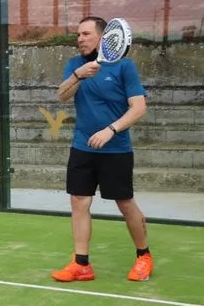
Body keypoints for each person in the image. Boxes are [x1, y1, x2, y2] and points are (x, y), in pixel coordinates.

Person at [51, 16, 151, 283]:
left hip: (116, 149)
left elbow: (139, 108)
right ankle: (81, 264)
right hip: (82, 147)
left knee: (125, 203)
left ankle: (143, 256)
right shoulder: (75, 65)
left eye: (85, 34)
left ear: (103, 37)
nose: (80, 39)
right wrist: (77, 75)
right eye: (77, 35)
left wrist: (111, 130)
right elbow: (61, 96)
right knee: (79, 201)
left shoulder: (124, 67)